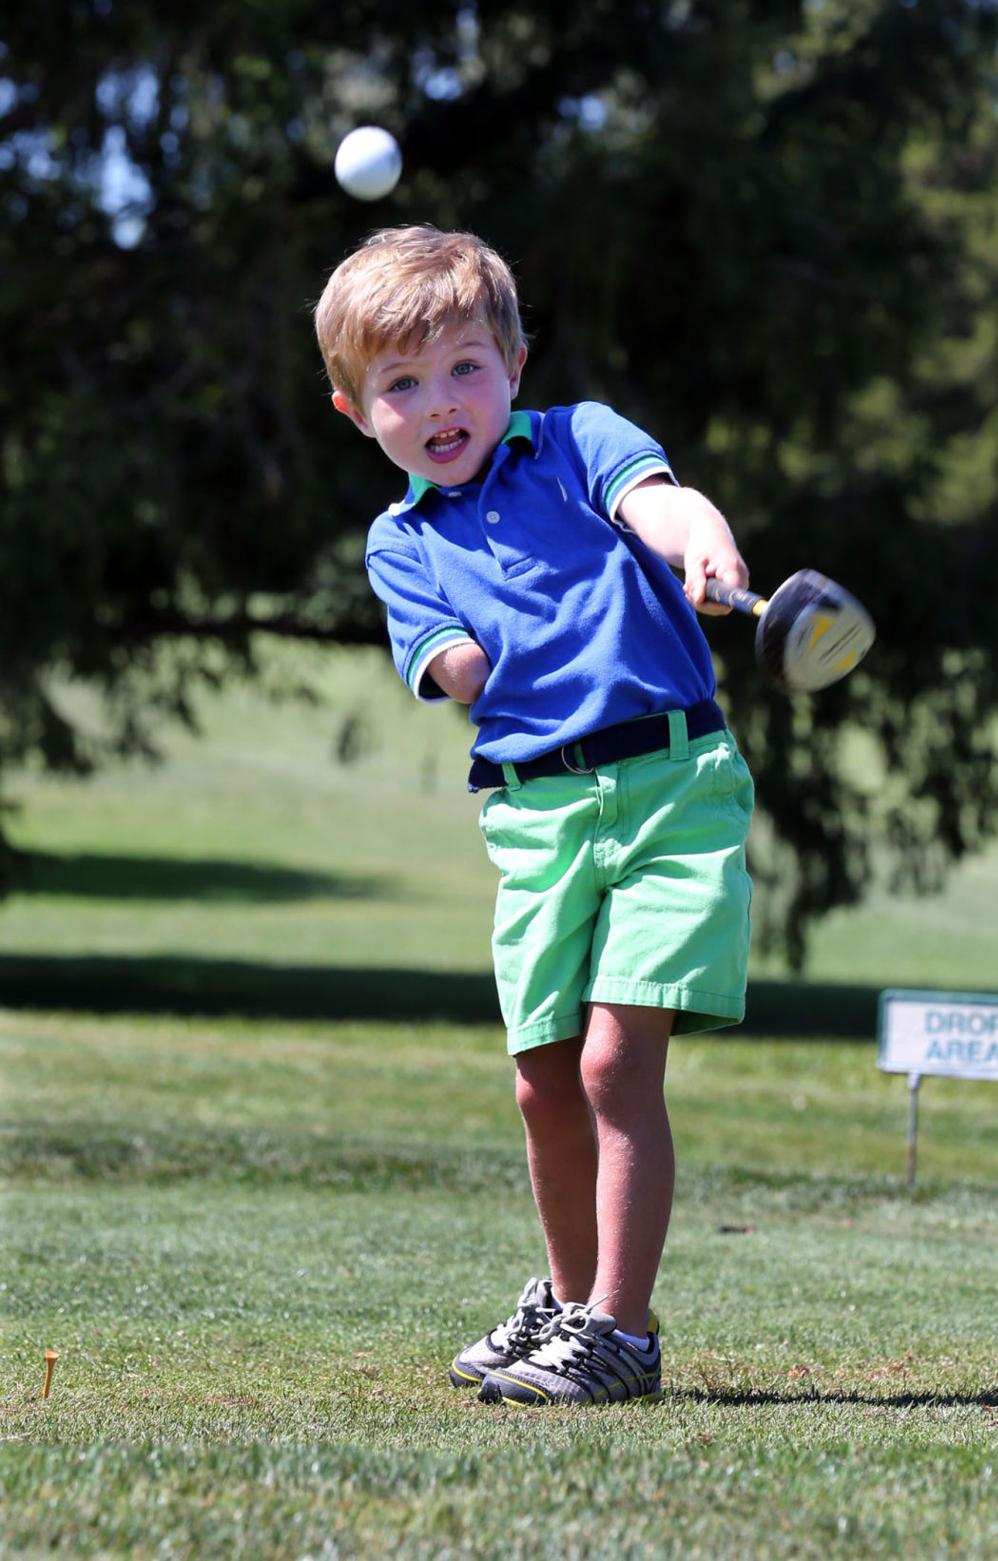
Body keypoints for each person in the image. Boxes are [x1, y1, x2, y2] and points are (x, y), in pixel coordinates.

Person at [314, 224, 754, 1406]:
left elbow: (662, 507)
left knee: (617, 1062)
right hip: (537, 815)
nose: (440, 401)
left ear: (513, 360)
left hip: (673, 789)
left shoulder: (579, 442)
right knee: (543, 1077)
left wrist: (699, 543)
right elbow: (447, 658)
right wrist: (462, 660)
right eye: (402, 384)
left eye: (465, 365)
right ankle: (569, 1305)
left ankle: (623, 1329)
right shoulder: (400, 541)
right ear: (357, 411)